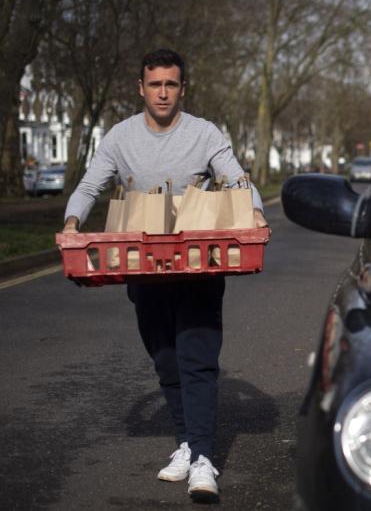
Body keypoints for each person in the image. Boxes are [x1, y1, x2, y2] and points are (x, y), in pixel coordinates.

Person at [62, 49, 268, 502]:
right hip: (145, 268)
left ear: (182, 89)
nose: (162, 92)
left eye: (170, 84)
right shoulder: (121, 136)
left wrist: (254, 209)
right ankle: (187, 444)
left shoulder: (204, 133)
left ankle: (204, 461)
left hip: (198, 264)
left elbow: (236, 178)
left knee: (197, 359)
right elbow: (90, 184)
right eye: (154, 84)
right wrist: (73, 223)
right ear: (141, 88)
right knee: (167, 361)